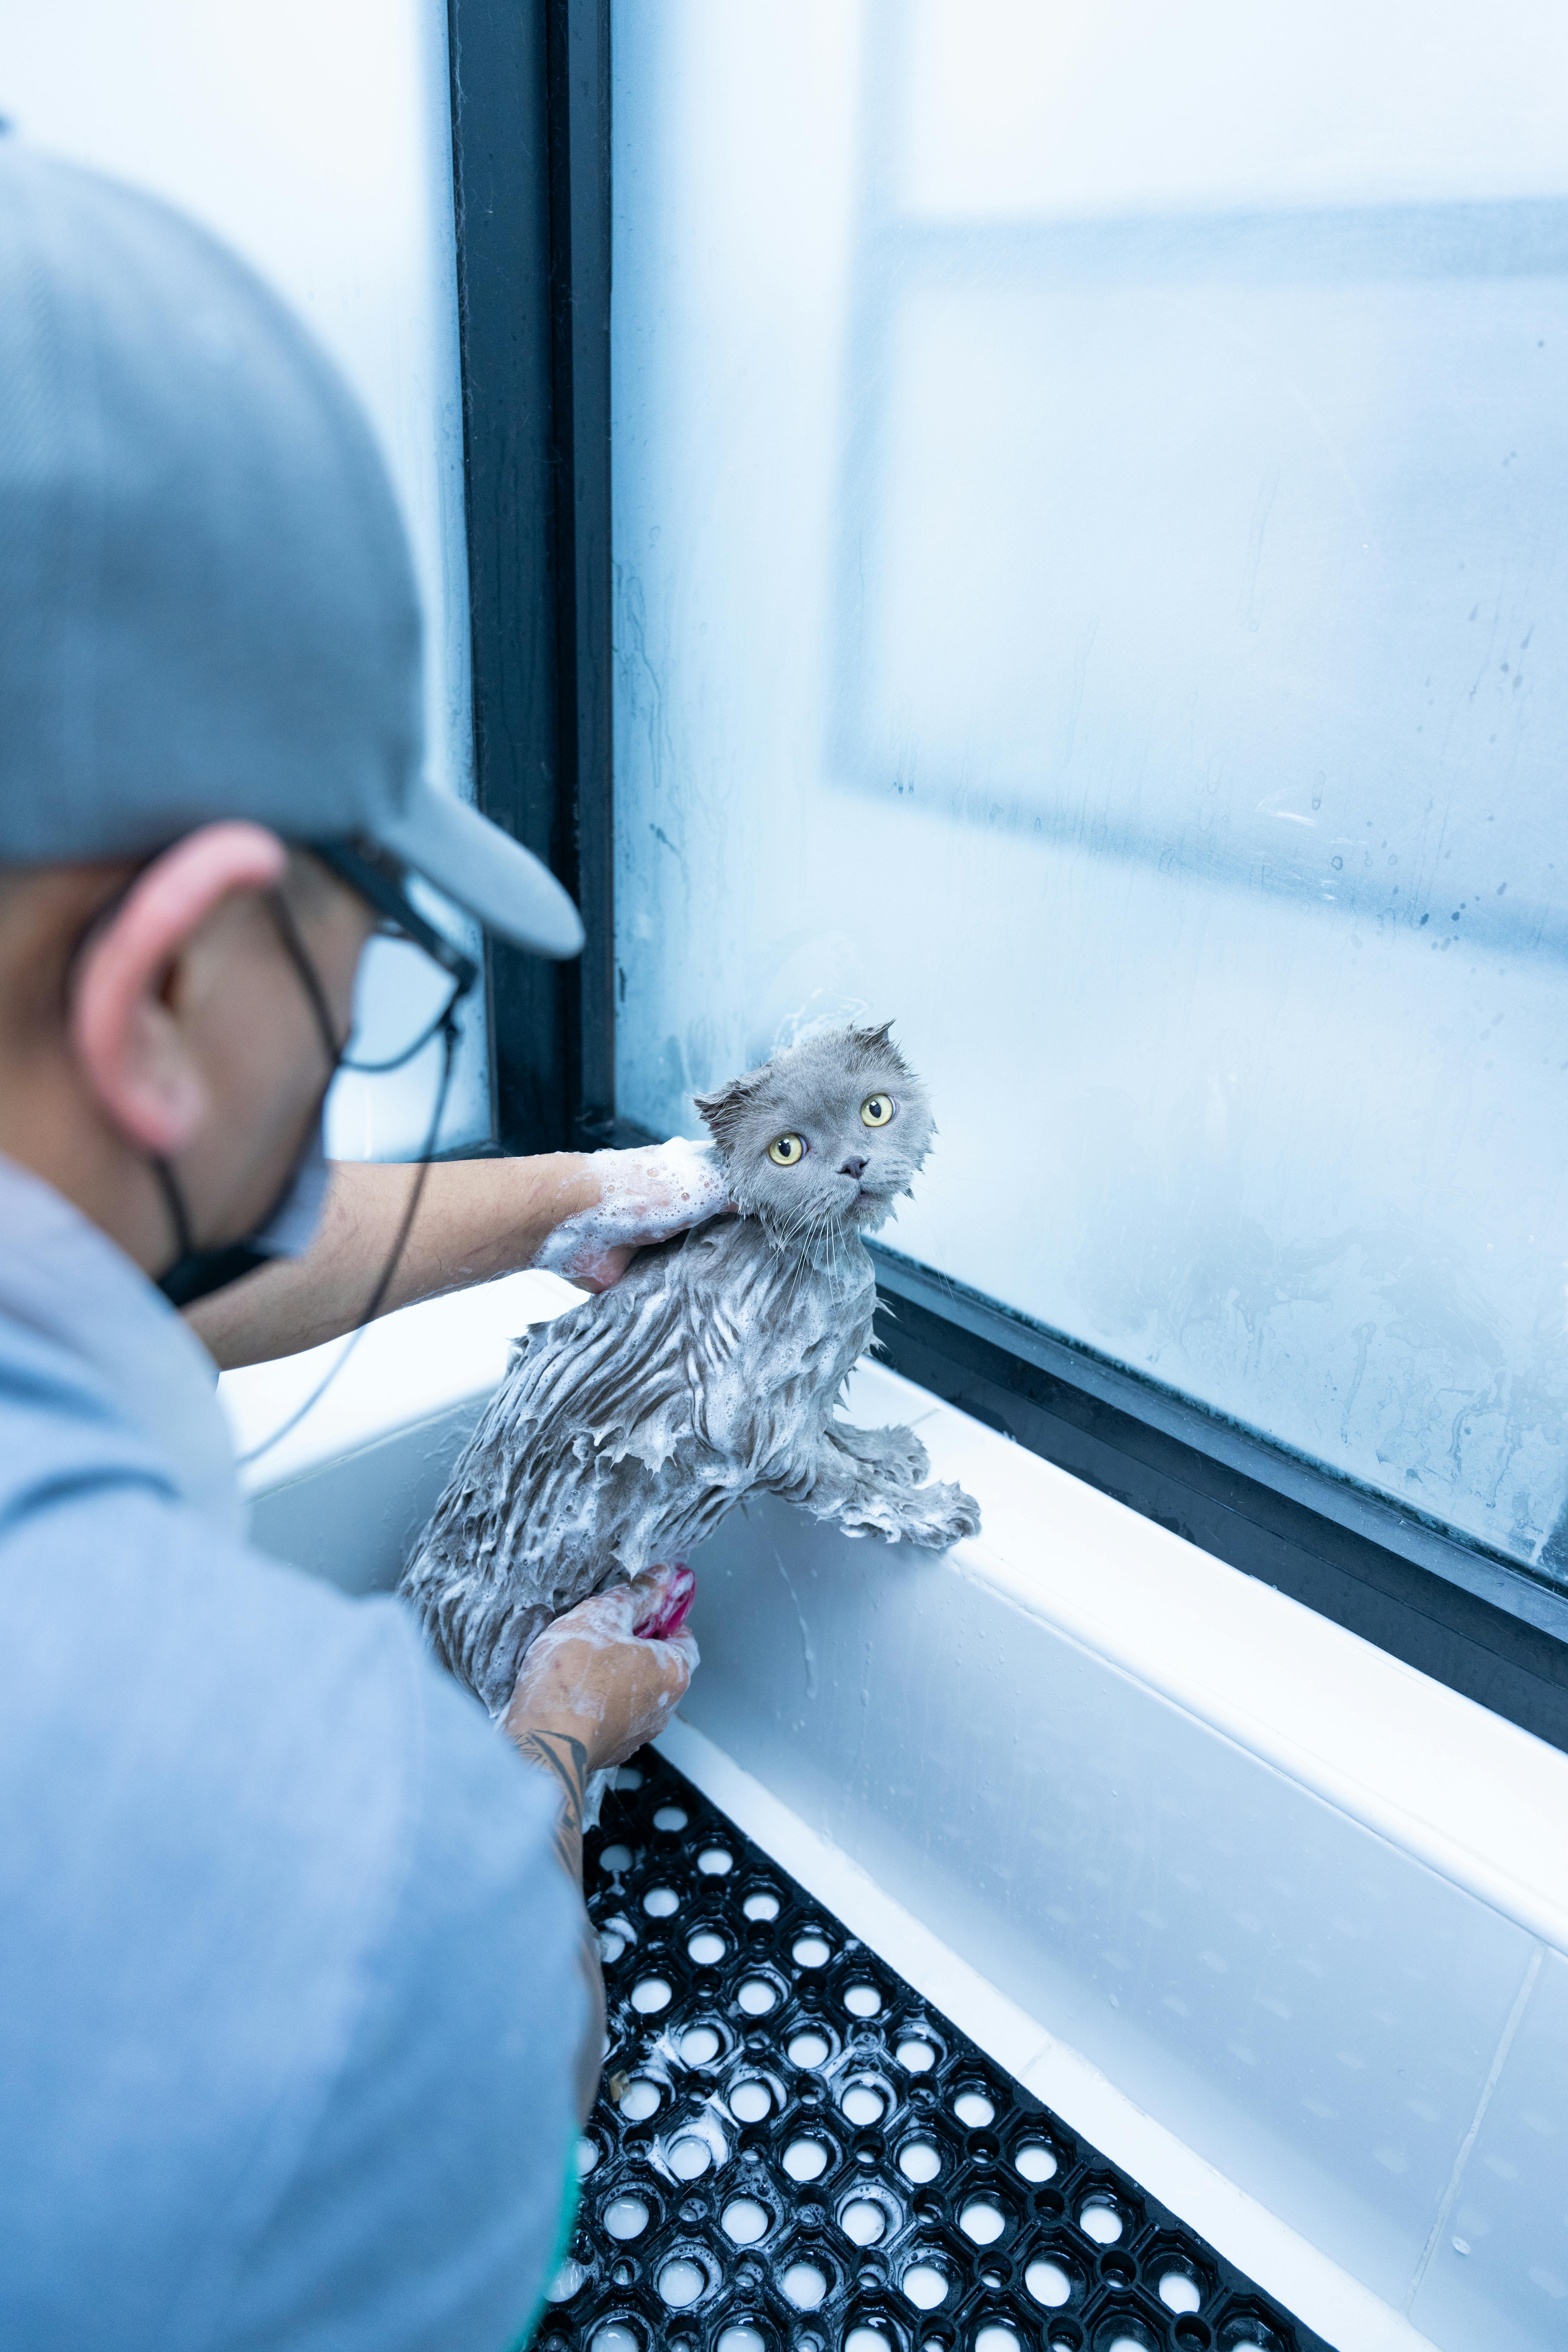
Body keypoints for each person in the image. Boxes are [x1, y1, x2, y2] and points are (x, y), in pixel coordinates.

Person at [0, 140, 726, 2348]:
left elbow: (130, 1258)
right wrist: (534, 1770)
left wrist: (595, 1203)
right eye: (362, 957)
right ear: (168, 989)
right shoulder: (337, 1902)